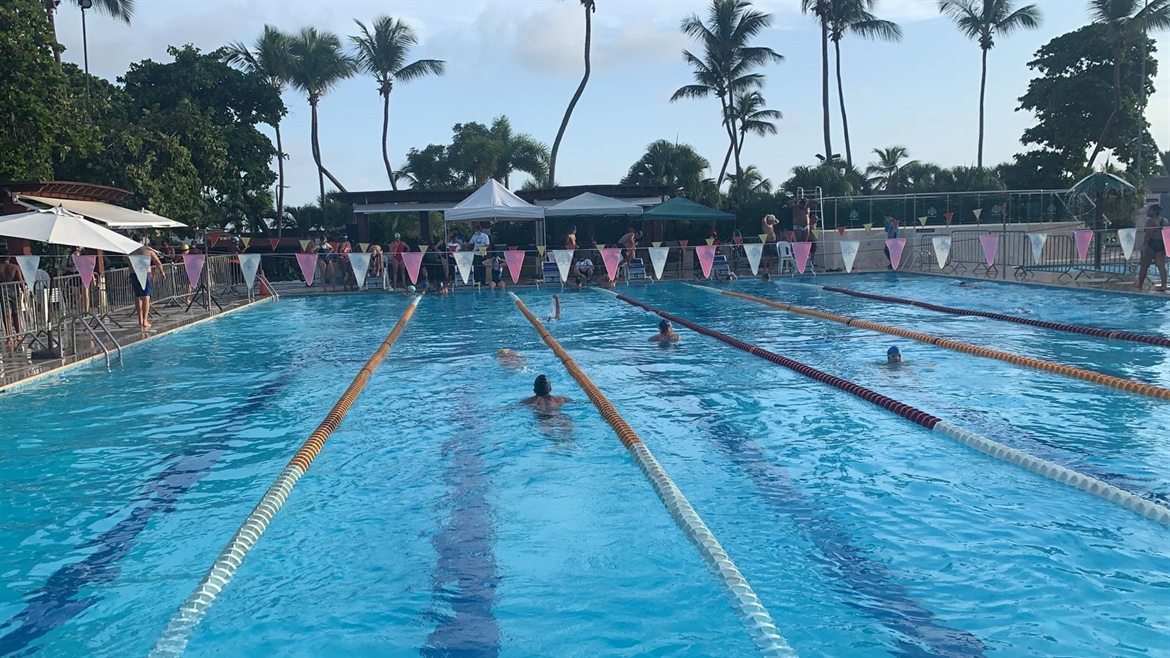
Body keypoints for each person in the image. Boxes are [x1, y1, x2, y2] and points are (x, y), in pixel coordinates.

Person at [129, 236, 166, 331]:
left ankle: (140, 320)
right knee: (146, 297)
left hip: (134, 274)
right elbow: (157, 262)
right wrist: (162, 272)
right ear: (142, 241)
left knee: (138, 297)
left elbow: (125, 260)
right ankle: (145, 321)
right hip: (145, 273)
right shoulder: (148, 250)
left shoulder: (130, 251)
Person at [1135, 204, 1168, 292]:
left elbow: (1148, 234)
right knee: (1161, 266)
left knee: (1144, 266)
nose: (1147, 212)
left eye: (1149, 210)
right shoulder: (1164, 220)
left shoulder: (1150, 221)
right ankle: (1164, 285)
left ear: (1154, 211)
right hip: (1161, 244)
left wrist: (1144, 246)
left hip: (1151, 243)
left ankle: (1140, 285)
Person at [0, 256, 25, 347]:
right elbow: (21, 281)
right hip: (14, 291)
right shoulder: (14, 267)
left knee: (6, 315)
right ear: (9, 257)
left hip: (3, 292)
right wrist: (25, 294)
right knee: (16, 313)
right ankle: (19, 334)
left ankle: (9, 337)